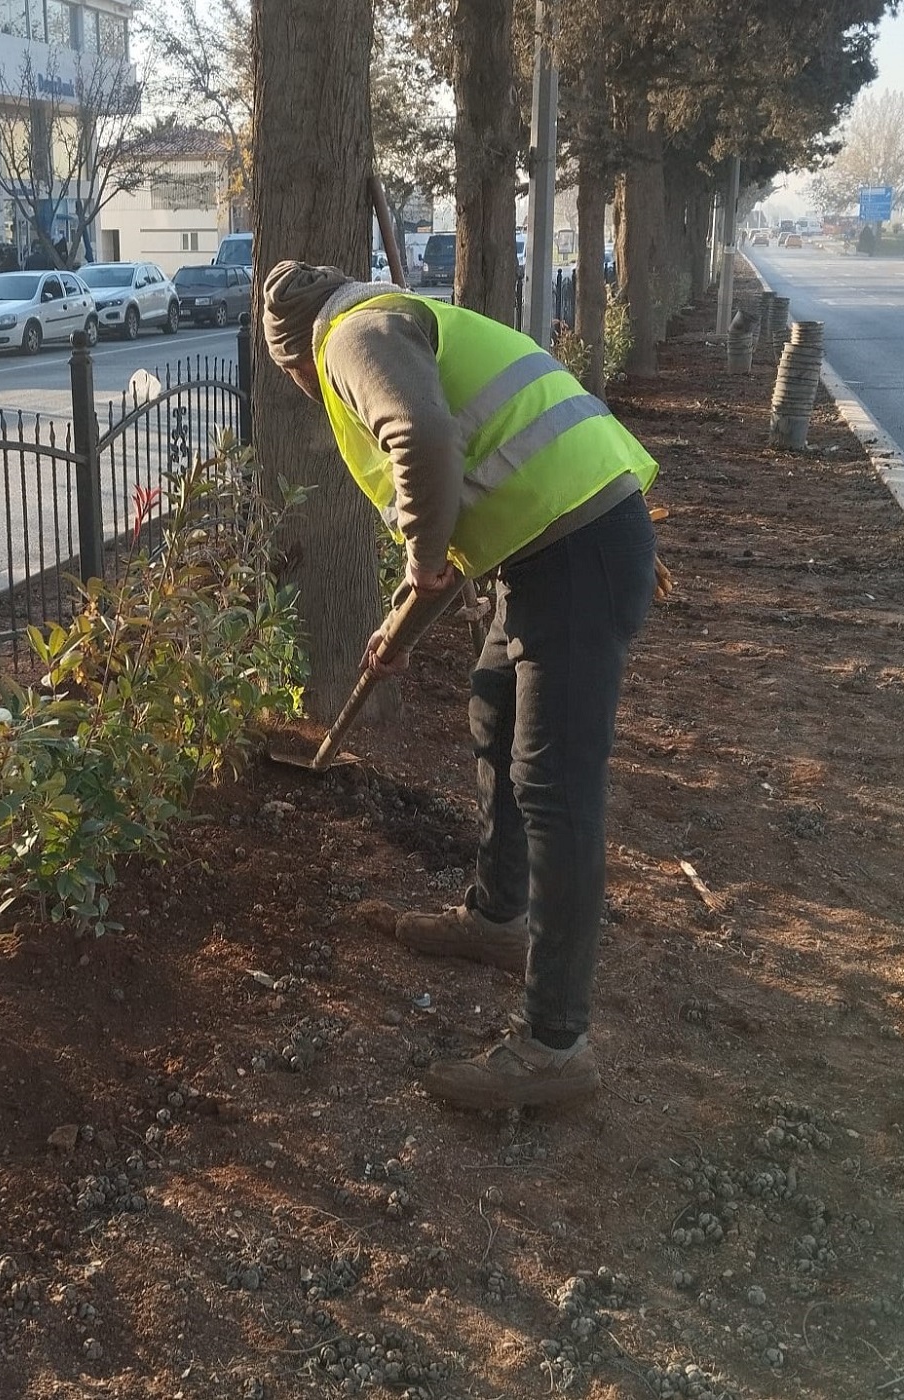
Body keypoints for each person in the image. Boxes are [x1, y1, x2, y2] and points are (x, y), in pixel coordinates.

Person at [261, 260, 659, 1112]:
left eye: (296, 380)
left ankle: (557, 1046)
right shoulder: (397, 322)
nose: (308, 390)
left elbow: (425, 444)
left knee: (556, 790)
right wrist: (400, 627)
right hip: (551, 548)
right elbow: (473, 514)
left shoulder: (351, 339)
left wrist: (418, 561)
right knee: (491, 705)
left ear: (293, 356)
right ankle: (497, 917)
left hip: (576, 555)